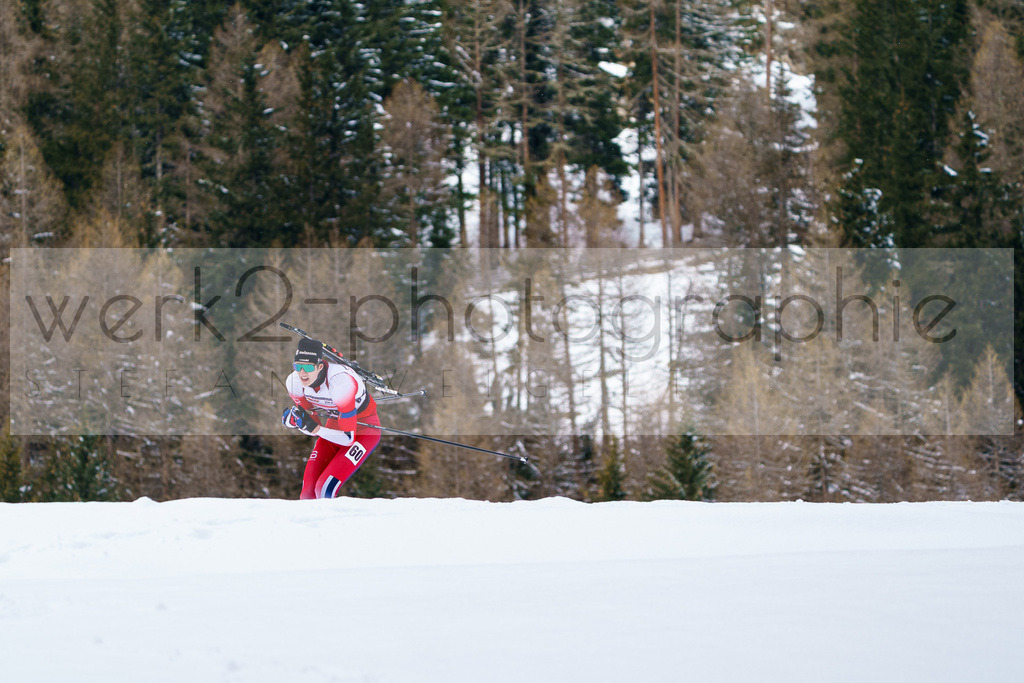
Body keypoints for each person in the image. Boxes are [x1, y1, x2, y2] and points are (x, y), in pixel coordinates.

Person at [282, 337, 381, 499]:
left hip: (363, 431)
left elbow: (348, 439)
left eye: (307, 367)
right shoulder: (294, 383)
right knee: (307, 493)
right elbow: (313, 426)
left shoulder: (341, 384)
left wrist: (316, 429)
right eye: (298, 366)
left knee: (324, 489)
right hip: (333, 428)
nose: (302, 373)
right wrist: (296, 422)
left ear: (320, 366)